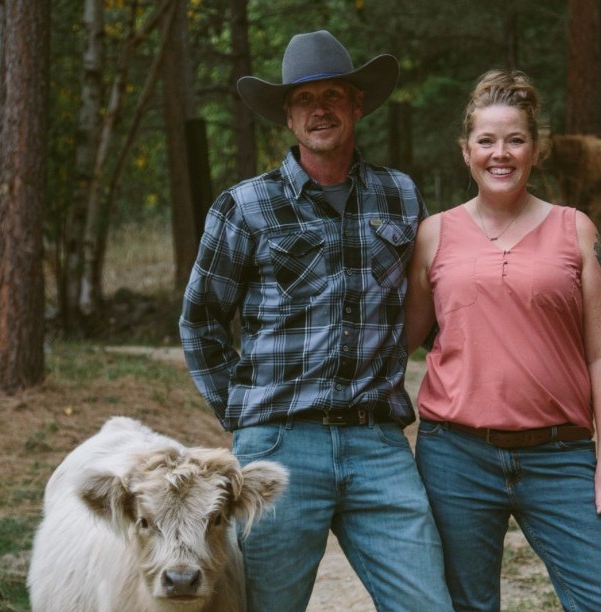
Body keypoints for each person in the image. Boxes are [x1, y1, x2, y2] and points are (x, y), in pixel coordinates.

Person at [179, 30, 452, 612]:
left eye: (333, 94)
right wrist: (245, 414)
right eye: (304, 98)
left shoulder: (400, 197)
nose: (319, 108)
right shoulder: (245, 205)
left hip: (377, 441)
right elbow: (200, 320)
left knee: (428, 602)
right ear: (288, 115)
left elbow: (434, 305)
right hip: (279, 446)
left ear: (357, 105)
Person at [404, 69, 601, 611]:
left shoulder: (576, 229)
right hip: (455, 454)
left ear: (537, 149)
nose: (500, 153)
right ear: (466, 152)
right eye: (486, 141)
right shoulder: (434, 234)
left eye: (515, 139)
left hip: (561, 456)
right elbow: (402, 343)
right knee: (468, 605)